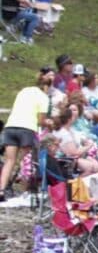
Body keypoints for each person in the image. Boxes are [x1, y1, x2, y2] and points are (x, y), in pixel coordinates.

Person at [0, 69, 53, 202]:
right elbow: (40, 121)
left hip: (11, 126)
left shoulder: (24, 91)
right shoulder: (44, 98)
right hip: (27, 129)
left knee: (9, 161)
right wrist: (50, 123)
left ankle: (1, 190)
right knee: (26, 162)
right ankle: (25, 191)